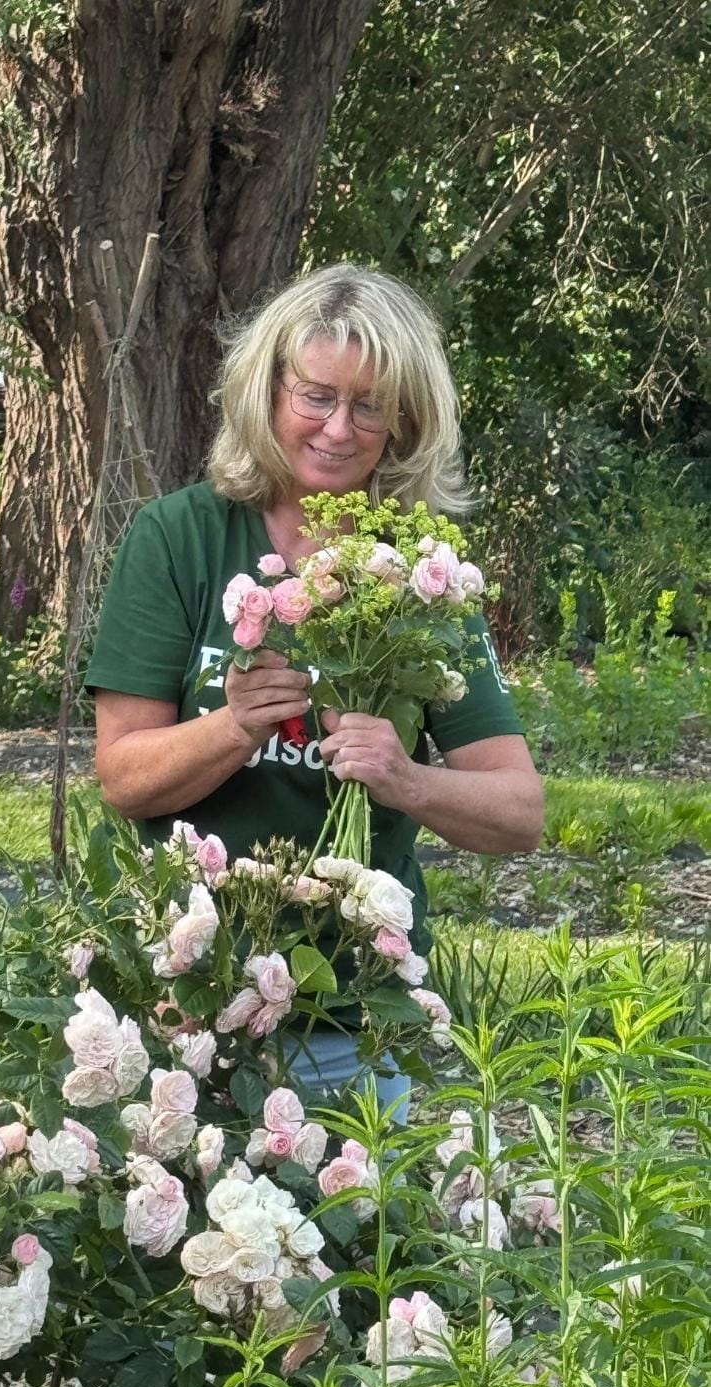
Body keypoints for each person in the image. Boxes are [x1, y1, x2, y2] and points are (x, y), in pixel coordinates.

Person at [86, 262, 544, 1118]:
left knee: (358, 1249)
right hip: (184, 1002)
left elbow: (518, 812)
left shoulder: (422, 572)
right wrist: (233, 725)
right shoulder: (180, 538)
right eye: (316, 396)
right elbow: (122, 780)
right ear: (267, 392)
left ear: (405, 421)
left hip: (350, 1017)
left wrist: (402, 776)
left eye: (371, 405)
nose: (340, 428)